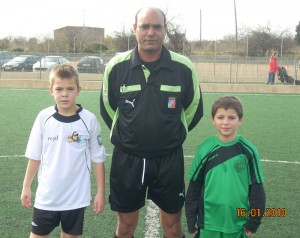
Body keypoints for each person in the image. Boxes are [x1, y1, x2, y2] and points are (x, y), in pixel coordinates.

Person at [100, 7, 203, 238]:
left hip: (168, 159)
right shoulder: (116, 67)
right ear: (134, 29)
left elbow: (194, 108)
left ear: (165, 30)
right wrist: (131, 134)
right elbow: (108, 109)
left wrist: (168, 132)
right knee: (125, 226)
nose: (150, 32)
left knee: (173, 227)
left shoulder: (183, 67)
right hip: (127, 159)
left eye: (157, 26)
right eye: (145, 26)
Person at [21, 64, 106, 238]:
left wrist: (100, 192)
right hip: (47, 196)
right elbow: (35, 156)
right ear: (51, 90)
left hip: (76, 198)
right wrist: (26, 187)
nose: (65, 94)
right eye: (59, 89)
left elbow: (98, 158)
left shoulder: (89, 120)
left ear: (78, 90)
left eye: (70, 89)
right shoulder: (44, 118)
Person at [185, 96, 266, 238]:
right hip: (208, 223)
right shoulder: (205, 149)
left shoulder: (248, 150)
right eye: (220, 117)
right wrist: (192, 221)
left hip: (238, 225)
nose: (225, 122)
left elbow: (257, 190)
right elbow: (194, 188)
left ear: (240, 119)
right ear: (213, 119)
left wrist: (253, 222)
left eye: (231, 117)